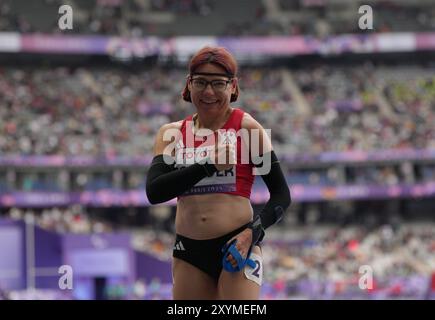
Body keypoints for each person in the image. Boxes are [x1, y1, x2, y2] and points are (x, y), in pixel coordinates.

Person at [146, 46, 291, 299]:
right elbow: (155, 191)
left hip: (237, 245)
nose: (209, 91)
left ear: (233, 87)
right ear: (189, 85)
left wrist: (252, 233)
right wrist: (208, 165)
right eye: (200, 82)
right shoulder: (171, 133)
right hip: (188, 251)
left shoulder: (247, 128)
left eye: (218, 83)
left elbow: (281, 194)